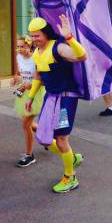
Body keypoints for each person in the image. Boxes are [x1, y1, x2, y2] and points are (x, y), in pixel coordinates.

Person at [26, 14, 87, 194]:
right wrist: (30, 97)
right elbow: (38, 75)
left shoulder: (58, 48)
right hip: (51, 97)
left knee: (60, 139)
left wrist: (69, 37)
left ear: (45, 33)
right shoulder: (37, 53)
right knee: (44, 136)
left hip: (67, 97)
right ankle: (71, 157)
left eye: (37, 35)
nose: (34, 39)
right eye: (32, 35)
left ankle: (71, 177)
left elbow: (81, 56)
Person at [13, 35, 45, 167]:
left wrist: (31, 85)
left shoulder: (36, 58)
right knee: (28, 124)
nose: (19, 49)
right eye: (18, 46)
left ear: (29, 45)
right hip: (24, 93)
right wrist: (15, 78)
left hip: (36, 94)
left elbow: (43, 80)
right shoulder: (18, 57)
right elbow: (18, 73)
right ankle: (48, 136)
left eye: (22, 46)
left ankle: (29, 155)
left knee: (26, 124)